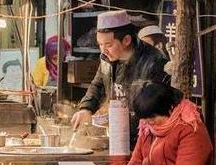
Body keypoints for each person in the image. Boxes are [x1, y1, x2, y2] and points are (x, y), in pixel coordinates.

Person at [70, 10, 170, 148]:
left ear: (126, 40)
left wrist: (121, 119)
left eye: (109, 45)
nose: (103, 50)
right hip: (118, 136)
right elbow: (97, 85)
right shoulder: (107, 59)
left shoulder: (153, 62)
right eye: (100, 44)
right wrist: (86, 109)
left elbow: (155, 110)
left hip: (145, 140)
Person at [109, 82, 213, 165]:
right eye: (145, 119)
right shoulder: (147, 127)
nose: (149, 122)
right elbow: (135, 164)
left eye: (153, 117)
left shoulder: (190, 129)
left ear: (169, 108)